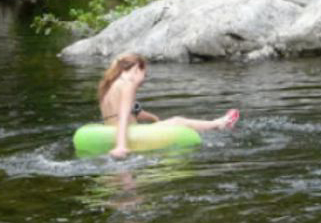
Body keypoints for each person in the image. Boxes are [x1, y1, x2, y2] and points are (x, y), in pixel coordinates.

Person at [98, 52, 240, 159]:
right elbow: (123, 116)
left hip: (110, 132)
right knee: (178, 121)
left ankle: (217, 124)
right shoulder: (128, 84)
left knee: (169, 122)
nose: (144, 79)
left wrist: (153, 118)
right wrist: (121, 146)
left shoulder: (108, 86)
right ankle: (219, 124)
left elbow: (127, 112)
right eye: (144, 73)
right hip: (128, 135)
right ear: (137, 69)